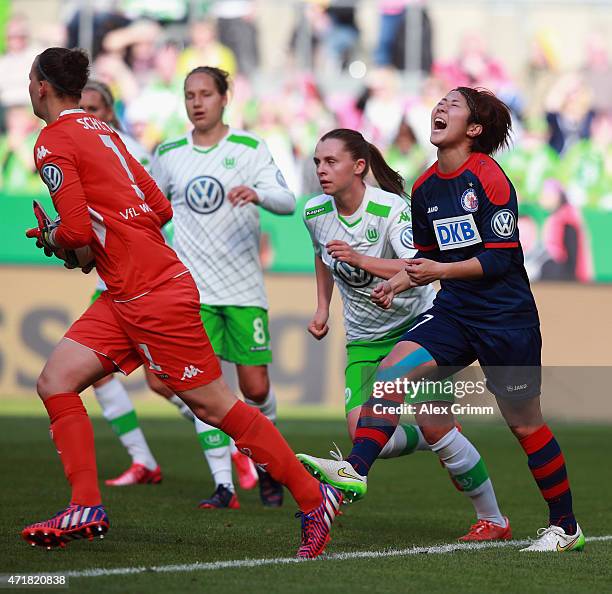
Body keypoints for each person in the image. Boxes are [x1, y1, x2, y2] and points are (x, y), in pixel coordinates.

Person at [22, 47, 340, 558]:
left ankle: (311, 497)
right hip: (126, 290)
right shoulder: (108, 134)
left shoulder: (52, 141)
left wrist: (60, 235)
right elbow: (158, 206)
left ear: (40, 86)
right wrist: (84, 243)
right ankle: (86, 503)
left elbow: (79, 230)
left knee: (215, 406)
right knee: (55, 381)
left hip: (150, 293)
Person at [299, 88, 584, 552]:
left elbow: (500, 260)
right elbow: (426, 258)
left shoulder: (490, 178)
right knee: (393, 370)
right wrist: (399, 282)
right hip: (455, 311)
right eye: (440, 103)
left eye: (453, 105)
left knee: (524, 424)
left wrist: (437, 271)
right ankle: (355, 469)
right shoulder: (427, 186)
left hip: (505, 319)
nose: (440, 109)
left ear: (474, 130)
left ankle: (566, 527)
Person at [303, 128, 510, 541]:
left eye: (331, 161)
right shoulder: (313, 212)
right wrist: (323, 306)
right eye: (317, 163)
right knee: (361, 431)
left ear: (358, 167)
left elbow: (417, 266)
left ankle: (493, 519)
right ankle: (422, 436)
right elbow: (321, 256)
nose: (321, 170)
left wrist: (361, 259)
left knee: (436, 429)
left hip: (414, 331)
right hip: (363, 336)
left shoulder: (391, 208)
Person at [147, 66, 295, 509]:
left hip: (244, 288)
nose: (197, 102)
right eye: (190, 94)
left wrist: (258, 194)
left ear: (224, 97)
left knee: (255, 389)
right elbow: (151, 210)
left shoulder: (250, 148)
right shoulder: (170, 152)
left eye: (206, 94)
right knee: (198, 388)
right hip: (192, 291)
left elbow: (287, 201)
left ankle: (268, 466)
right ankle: (224, 485)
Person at [79, 79, 178, 487]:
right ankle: (143, 461)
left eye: (95, 108)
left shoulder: (125, 150)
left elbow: (155, 212)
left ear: (111, 113)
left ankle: (232, 449)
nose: (86, 115)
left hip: (143, 277)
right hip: (113, 279)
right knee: (93, 372)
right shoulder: (81, 148)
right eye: (80, 107)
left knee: (168, 380)